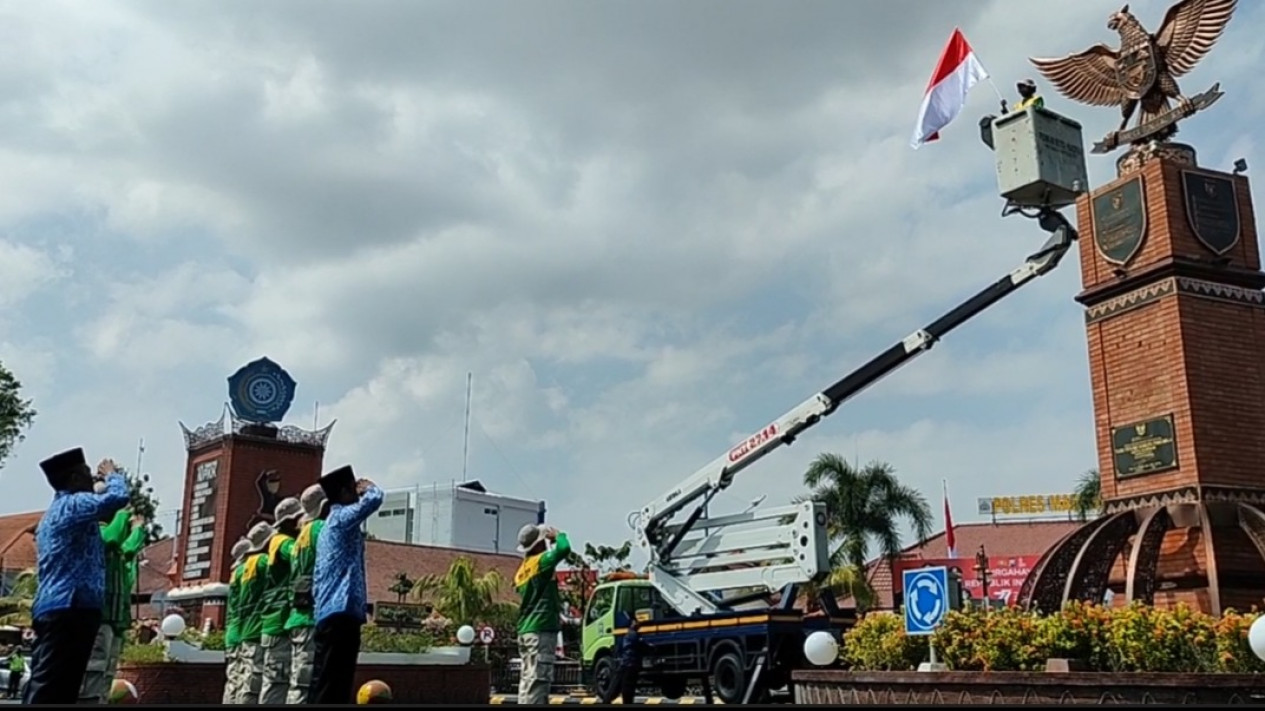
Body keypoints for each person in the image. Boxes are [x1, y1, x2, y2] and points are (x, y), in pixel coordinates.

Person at [23, 450, 130, 705]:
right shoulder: (73, 503)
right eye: (86, 473)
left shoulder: (57, 511)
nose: (92, 477)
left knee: (57, 684)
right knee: (51, 687)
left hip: (62, 607)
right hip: (70, 606)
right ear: (72, 479)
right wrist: (113, 476)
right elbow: (118, 497)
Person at [309, 466, 383, 705]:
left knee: (326, 680)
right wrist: (369, 487)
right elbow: (374, 499)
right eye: (352, 489)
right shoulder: (341, 517)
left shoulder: (329, 525)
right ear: (342, 492)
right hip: (341, 611)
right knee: (335, 682)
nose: (357, 494)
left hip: (330, 611)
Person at [79, 500, 147, 704]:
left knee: (107, 672)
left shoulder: (117, 552)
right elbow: (111, 537)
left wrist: (138, 529)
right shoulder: (96, 534)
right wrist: (124, 514)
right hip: (99, 615)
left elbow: (129, 549)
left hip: (114, 618)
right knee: (94, 668)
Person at [513, 523, 571, 705]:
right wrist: (558, 536)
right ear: (538, 544)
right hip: (540, 629)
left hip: (526, 630)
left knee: (527, 681)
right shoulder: (541, 561)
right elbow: (564, 549)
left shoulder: (522, 570)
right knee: (538, 680)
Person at [284, 484, 327, 704]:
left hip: (298, 615)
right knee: (305, 683)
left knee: (297, 681)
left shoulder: (300, 536)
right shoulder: (319, 528)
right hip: (311, 615)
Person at [258, 497, 304, 705]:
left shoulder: (277, 541)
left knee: (276, 682)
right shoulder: (282, 542)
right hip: (279, 624)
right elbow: (299, 554)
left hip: (276, 623)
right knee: (277, 684)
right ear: (289, 521)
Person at [236, 522, 275, 704]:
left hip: (246, 630)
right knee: (253, 686)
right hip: (256, 630)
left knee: (244, 684)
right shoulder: (261, 561)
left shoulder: (244, 567)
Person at [222, 538, 251, 705]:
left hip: (232, 633)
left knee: (232, 681)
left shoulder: (234, 574)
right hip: (241, 632)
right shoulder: (245, 571)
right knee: (241, 682)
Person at [615, 618, 651, 705]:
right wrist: (651, 648)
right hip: (631, 663)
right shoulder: (634, 635)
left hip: (626, 663)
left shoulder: (627, 635)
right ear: (632, 623)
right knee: (628, 686)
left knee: (622, 685)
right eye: (637, 622)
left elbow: (619, 649)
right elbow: (642, 646)